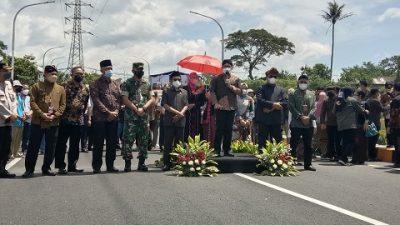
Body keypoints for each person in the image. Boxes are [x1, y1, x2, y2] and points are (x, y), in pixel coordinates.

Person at [22, 65, 66, 178]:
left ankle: (46, 168)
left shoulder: (60, 89)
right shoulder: (37, 86)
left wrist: (55, 115)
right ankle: (29, 169)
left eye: (55, 74)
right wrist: (42, 114)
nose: (54, 76)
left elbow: (63, 105)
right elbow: (32, 103)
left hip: (53, 122)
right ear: (45, 74)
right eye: (51, 74)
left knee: (51, 147)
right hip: (38, 121)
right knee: (33, 147)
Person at [54, 66, 89, 174]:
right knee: (61, 144)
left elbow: (85, 103)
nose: (80, 76)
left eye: (82, 74)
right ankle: (60, 166)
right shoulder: (63, 86)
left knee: (75, 145)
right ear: (71, 74)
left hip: (78, 121)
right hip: (64, 120)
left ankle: (72, 166)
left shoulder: (85, 88)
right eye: (77, 73)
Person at [121, 62, 154, 172]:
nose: (140, 71)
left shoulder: (147, 84)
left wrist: (144, 108)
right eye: (138, 69)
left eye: (142, 69)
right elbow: (125, 99)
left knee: (144, 140)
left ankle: (142, 163)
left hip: (143, 117)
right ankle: (127, 164)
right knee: (128, 140)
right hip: (131, 118)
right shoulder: (127, 83)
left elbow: (152, 98)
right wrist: (136, 109)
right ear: (133, 70)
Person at [90, 59, 121, 173]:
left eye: (111, 68)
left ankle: (110, 165)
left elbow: (119, 100)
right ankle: (97, 166)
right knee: (98, 143)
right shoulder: (95, 83)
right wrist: (108, 113)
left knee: (112, 143)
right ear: (101, 70)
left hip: (114, 118)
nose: (109, 70)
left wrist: (116, 112)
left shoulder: (115, 84)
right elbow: (96, 101)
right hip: (100, 119)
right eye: (107, 68)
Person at [210, 59, 242, 157]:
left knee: (228, 129)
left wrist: (230, 86)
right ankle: (217, 149)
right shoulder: (216, 78)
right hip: (220, 107)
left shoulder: (236, 79)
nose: (226, 68)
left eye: (228, 66)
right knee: (220, 129)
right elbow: (212, 92)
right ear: (222, 67)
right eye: (225, 66)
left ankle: (227, 149)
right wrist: (215, 103)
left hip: (231, 107)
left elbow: (240, 91)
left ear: (231, 67)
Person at [161, 71, 188, 171]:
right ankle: (166, 163)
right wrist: (178, 113)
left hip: (181, 121)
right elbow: (165, 105)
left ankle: (178, 162)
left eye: (179, 80)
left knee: (180, 143)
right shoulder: (166, 91)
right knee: (168, 143)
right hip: (169, 121)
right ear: (170, 80)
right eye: (175, 80)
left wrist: (180, 114)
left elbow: (186, 105)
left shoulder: (184, 92)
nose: (177, 81)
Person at [288, 75, 316, 171]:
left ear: (308, 82)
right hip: (296, 123)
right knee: (294, 144)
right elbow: (291, 107)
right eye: (301, 82)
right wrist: (300, 116)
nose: (303, 83)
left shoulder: (312, 94)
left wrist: (308, 117)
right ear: (298, 82)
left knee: (308, 145)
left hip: (308, 124)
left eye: (305, 82)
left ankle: (308, 164)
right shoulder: (293, 93)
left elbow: (314, 107)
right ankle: (291, 163)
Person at [255, 68, 286, 150]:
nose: (273, 78)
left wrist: (272, 107)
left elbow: (285, 102)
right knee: (262, 141)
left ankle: (279, 160)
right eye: (271, 76)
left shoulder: (281, 89)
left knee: (278, 142)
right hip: (263, 119)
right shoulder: (261, 88)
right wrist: (273, 104)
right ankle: (261, 160)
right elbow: (260, 100)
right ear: (267, 77)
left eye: (275, 76)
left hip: (276, 120)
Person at [335, 88, 367, 166]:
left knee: (345, 142)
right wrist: (366, 111)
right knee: (351, 142)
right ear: (350, 93)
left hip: (341, 125)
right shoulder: (352, 100)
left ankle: (343, 159)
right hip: (351, 125)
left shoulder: (338, 100)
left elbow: (334, 111)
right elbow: (360, 111)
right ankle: (343, 158)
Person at [0, 63, 17, 178]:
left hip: (8, 122)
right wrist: (8, 115)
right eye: (5, 71)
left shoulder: (8, 84)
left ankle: (2, 169)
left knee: (6, 147)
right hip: (1, 121)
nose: (7, 73)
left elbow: (13, 100)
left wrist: (14, 113)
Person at [184, 72, 206, 140]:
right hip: (187, 112)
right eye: (192, 78)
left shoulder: (201, 89)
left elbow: (202, 102)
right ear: (189, 78)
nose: (194, 79)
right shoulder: (185, 88)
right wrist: (187, 104)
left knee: (197, 128)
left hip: (197, 112)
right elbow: (182, 99)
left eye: (196, 78)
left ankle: (196, 145)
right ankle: (186, 145)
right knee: (186, 127)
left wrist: (194, 105)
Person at [320, 87, 340, 160]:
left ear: (335, 91)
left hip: (338, 123)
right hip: (329, 123)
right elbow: (323, 112)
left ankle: (336, 154)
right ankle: (330, 154)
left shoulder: (338, 99)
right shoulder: (326, 101)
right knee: (330, 139)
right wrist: (322, 122)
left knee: (337, 140)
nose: (330, 91)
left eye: (332, 90)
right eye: (328, 90)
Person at [365, 88, 383, 161]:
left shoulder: (367, 101)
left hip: (369, 122)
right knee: (374, 140)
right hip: (375, 122)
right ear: (376, 93)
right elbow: (382, 109)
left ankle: (369, 156)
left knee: (370, 140)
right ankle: (373, 156)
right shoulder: (376, 101)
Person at [10, 80, 25, 159]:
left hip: (21, 120)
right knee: (13, 138)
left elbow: (21, 108)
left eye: (20, 86)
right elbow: (11, 109)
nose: (19, 88)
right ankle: (11, 153)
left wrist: (24, 115)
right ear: (14, 87)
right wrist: (19, 116)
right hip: (14, 120)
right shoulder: (11, 96)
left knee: (18, 138)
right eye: (17, 86)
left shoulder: (19, 96)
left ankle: (16, 152)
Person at [353, 91, 368, 164]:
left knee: (361, 143)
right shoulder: (354, 103)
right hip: (354, 125)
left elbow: (368, 113)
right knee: (355, 143)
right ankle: (355, 158)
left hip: (361, 125)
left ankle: (361, 159)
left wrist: (366, 122)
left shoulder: (365, 103)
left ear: (360, 96)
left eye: (356, 95)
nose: (354, 96)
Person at [387, 83, 400, 168]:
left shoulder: (396, 100)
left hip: (397, 126)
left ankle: (398, 162)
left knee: (398, 144)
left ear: (395, 89)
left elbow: (393, 114)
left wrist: (389, 125)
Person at [381, 82, 394, 147]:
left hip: (395, 116)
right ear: (385, 88)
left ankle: (394, 143)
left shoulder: (395, 95)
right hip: (387, 115)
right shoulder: (383, 95)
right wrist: (386, 104)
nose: (389, 89)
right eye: (387, 87)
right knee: (387, 129)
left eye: (390, 87)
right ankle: (389, 143)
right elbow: (381, 105)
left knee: (394, 130)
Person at [21, 85, 32, 156]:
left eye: (27, 88)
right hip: (20, 118)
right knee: (17, 136)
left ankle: (24, 149)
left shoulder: (30, 98)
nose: (26, 90)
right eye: (24, 88)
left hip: (28, 119)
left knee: (26, 136)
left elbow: (32, 108)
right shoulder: (18, 97)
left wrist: (29, 114)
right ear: (22, 89)